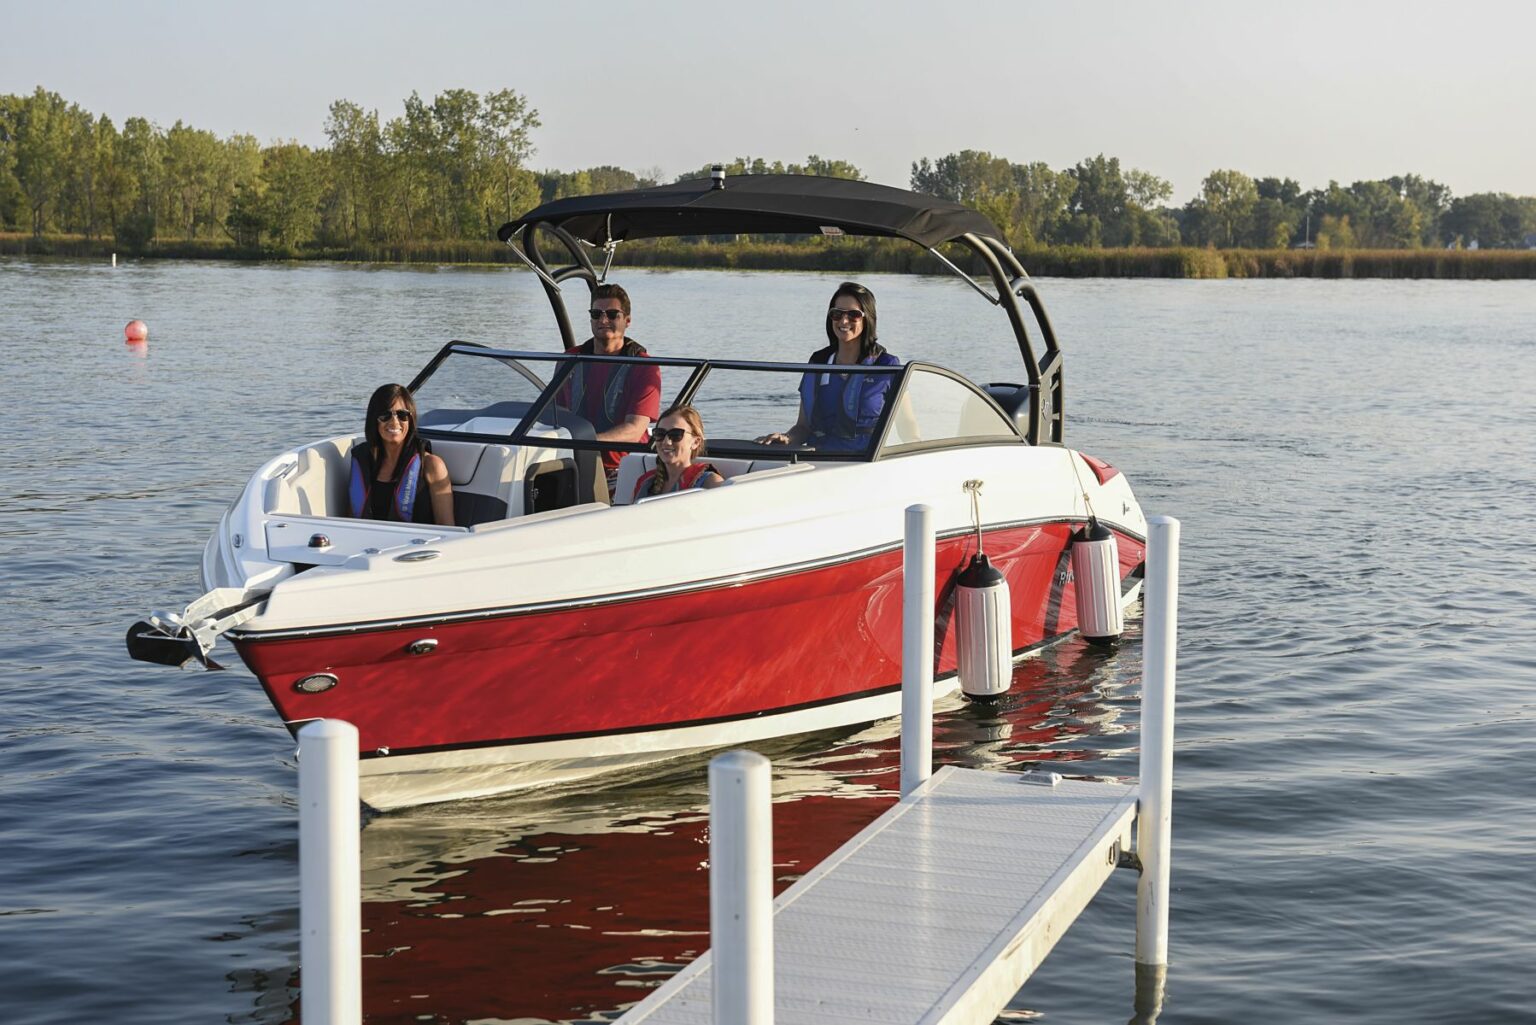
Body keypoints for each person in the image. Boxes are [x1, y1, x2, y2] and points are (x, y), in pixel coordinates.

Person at [756, 282, 900, 451]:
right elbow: (803, 427)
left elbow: (908, 428)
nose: (844, 320)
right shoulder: (818, 362)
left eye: (853, 314)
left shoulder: (888, 366)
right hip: (819, 463)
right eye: (837, 314)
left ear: (868, 318)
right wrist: (787, 438)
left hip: (866, 464)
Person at [557, 283, 662, 490]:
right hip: (570, 460)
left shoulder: (644, 366)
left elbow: (634, 429)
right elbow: (556, 414)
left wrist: (585, 442)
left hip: (621, 467)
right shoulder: (569, 359)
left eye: (612, 314)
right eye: (596, 314)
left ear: (627, 320)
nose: (603, 320)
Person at [348, 384, 455, 526]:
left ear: (411, 419)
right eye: (385, 415)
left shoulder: (432, 466)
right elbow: (348, 521)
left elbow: (447, 527)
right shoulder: (362, 462)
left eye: (402, 415)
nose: (394, 422)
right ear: (374, 419)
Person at [632, 405, 725, 501]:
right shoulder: (645, 483)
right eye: (660, 434)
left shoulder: (710, 483)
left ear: (696, 442)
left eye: (676, 435)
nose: (666, 442)